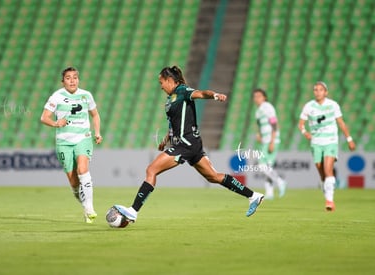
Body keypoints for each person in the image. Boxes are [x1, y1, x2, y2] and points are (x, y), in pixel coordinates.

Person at [114, 66, 264, 223]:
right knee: (213, 177)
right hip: (191, 143)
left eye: (162, 82)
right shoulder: (170, 98)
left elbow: (200, 93)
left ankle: (133, 211)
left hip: (186, 143)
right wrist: (166, 140)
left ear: (170, 80)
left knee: (151, 170)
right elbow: (174, 123)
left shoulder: (182, 90)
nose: (161, 86)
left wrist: (215, 95)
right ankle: (253, 196)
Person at [40, 67, 103, 223]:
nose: (72, 80)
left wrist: (97, 132)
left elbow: (95, 114)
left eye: (75, 77)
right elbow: (44, 117)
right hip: (64, 142)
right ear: (63, 81)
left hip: (83, 138)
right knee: (74, 182)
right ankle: (85, 206)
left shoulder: (86, 95)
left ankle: (90, 208)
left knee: (83, 169)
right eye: (68, 78)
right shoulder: (57, 96)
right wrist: (56, 123)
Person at [298, 81, 355, 211]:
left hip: (330, 141)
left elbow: (341, 123)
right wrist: (305, 132)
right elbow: (301, 124)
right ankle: (327, 193)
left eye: (320, 90)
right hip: (316, 143)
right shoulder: (309, 106)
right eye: (315, 90)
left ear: (326, 92)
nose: (318, 92)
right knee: (322, 173)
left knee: (328, 169)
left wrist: (349, 139)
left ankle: (330, 200)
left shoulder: (333, 105)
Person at [253, 88, 287, 200]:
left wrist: (272, 141)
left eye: (259, 96)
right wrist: (258, 134)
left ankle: (280, 181)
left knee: (262, 166)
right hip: (265, 140)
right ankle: (269, 192)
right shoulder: (258, 111)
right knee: (268, 167)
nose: (256, 98)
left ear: (264, 97)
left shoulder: (267, 107)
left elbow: (274, 124)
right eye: (255, 96)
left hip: (271, 140)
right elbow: (260, 125)